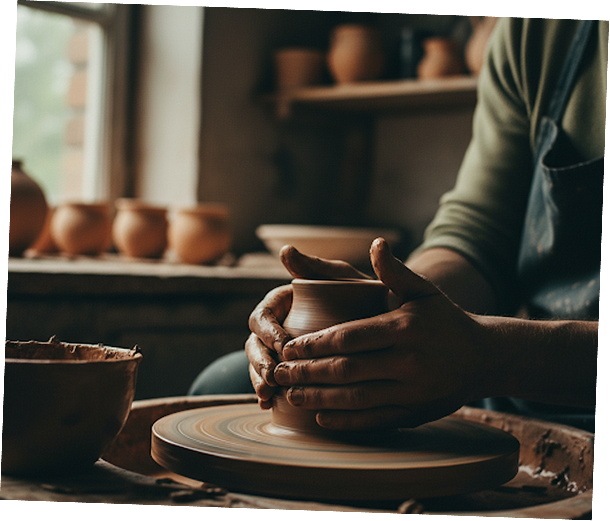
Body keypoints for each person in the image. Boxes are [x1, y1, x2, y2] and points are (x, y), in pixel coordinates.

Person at [190, 18, 605, 433]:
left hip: (537, 368)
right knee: (223, 385)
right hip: (504, 375)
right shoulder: (537, 31)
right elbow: (479, 234)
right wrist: (384, 306)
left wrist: (492, 357)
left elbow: (492, 355)